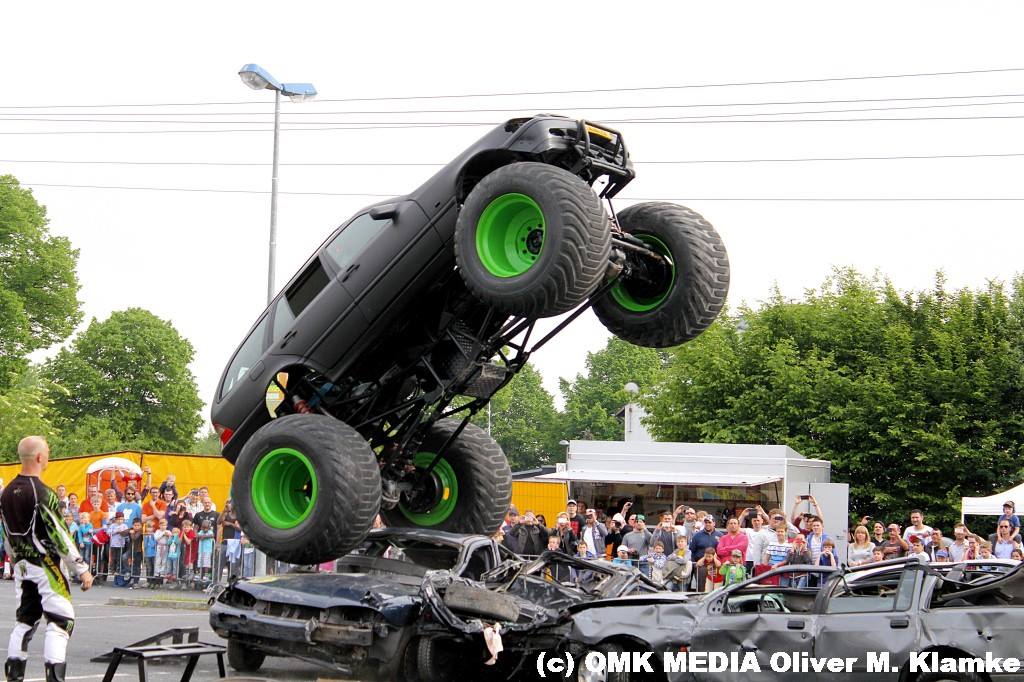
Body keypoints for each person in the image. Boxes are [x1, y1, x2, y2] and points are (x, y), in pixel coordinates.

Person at [0, 436, 93, 682]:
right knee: (62, 620)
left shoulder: (6, 493)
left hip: (21, 564)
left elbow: (6, 532)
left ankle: (14, 676)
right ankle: (54, 678)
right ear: (40, 457)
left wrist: (13, 558)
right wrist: (81, 568)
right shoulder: (43, 493)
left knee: (25, 620)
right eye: (48, 453)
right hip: (44, 564)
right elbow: (59, 534)